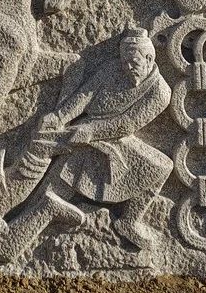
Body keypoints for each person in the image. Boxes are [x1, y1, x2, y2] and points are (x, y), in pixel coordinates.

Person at [41, 28, 173, 250]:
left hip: (113, 136)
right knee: (53, 188)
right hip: (83, 130)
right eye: (124, 61)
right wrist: (60, 116)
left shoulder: (160, 92)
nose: (127, 67)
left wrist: (92, 132)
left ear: (149, 59)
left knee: (162, 167)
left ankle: (129, 220)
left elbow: (128, 123)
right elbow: (84, 96)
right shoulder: (111, 68)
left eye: (133, 62)